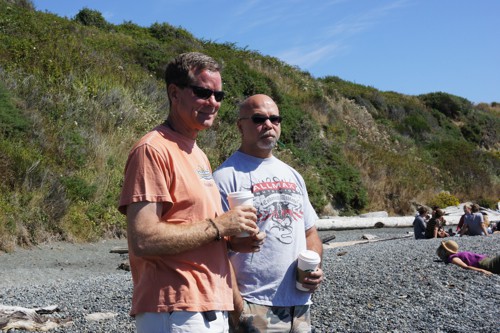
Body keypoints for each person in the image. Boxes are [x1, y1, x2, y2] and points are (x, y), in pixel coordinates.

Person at [118, 52, 259, 333]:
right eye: (203, 92)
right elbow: (143, 239)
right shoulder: (152, 150)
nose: (213, 102)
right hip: (177, 309)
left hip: (208, 305)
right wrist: (219, 226)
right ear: (175, 93)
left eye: (219, 95)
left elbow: (194, 229)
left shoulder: (198, 153)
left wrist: (231, 240)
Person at [213, 94, 324, 332]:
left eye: (275, 119)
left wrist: (314, 268)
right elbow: (215, 249)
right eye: (258, 119)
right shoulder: (224, 178)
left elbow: (310, 233)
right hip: (253, 305)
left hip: (300, 306)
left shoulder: (293, 175)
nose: (269, 125)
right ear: (241, 125)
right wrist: (238, 308)